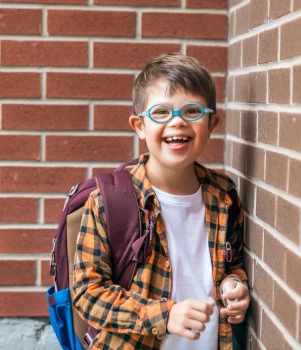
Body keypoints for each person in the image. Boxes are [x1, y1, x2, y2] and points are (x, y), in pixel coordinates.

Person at [72, 53, 250, 350]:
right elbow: (87, 294)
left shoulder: (224, 195)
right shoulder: (108, 202)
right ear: (139, 126)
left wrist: (234, 286)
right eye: (161, 113)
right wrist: (165, 315)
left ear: (212, 122)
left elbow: (232, 264)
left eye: (192, 111)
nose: (177, 121)